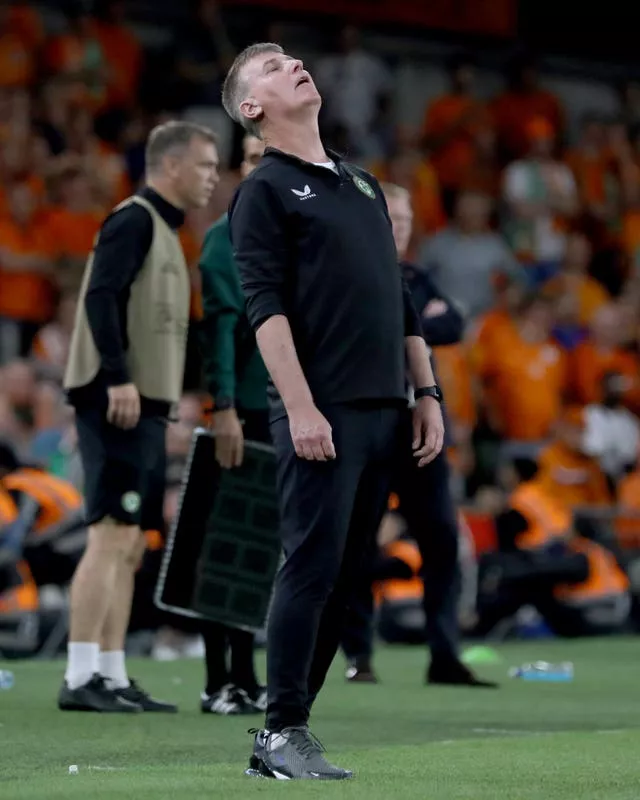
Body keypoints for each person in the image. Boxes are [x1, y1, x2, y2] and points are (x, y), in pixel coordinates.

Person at [222, 42, 444, 780]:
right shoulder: (264, 190)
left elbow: (401, 298)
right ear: (253, 108)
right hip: (322, 406)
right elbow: (264, 307)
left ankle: (290, 733)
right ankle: (280, 730)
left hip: (386, 406)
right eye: (273, 68)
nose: (294, 66)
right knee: (312, 568)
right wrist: (300, 406)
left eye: (293, 60)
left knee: (348, 578)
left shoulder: (362, 182)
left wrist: (428, 393)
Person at [59, 121, 219, 712]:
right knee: (109, 534)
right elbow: (101, 295)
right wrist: (118, 377)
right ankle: (79, 676)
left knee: (128, 542)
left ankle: (111, 671)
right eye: (204, 166)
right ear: (171, 166)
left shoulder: (167, 234)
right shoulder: (132, 220)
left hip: (145, 405)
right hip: (116, 401)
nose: (211, 178)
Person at [341, 182, 496, 688]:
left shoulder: (412, 276)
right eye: (394, 218)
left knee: (442, 539)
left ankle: (444, 653)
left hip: (419, 424)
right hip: (370, 422)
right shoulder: (353, 274)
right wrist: (414, 323)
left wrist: (407, 328)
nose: (400, 229)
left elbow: (452, 322)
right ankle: (357, 654)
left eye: (407, 220)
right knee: (357, 541)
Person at [197, 132, 269, 715]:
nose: (261, 167)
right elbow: (219, 330)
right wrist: (222, 407)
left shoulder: (293, 239)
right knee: (229, 546)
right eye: (251, 158)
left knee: (260, 548)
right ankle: (218, 679)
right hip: (242, 411)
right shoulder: (224, 239)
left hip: (283, 410)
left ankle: (246, 673)